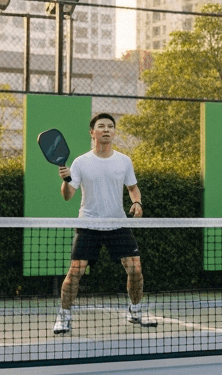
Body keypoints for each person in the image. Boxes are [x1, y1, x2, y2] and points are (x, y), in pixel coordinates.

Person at [52, 112, 156, 334]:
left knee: (135, 269)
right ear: (93, 132)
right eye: (101, 126)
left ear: (114, 132)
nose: (107, 129)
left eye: (111, 126)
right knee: (75, 271)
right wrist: (65, 180)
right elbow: (68, 195)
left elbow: (132, 187)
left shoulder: (124, 161)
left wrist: (137, 202)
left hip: (117, 224)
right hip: (89, 225)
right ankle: (64, 316)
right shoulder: (81, 162)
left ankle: (135, 311)